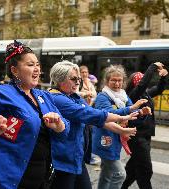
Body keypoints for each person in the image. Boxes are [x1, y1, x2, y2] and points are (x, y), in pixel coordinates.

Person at [0, 41, 70, 189]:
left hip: (41, 179)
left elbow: (64, 130)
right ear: (15, 70)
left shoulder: (45, 96)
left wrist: (59, 126)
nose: (37, 69)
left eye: (37, 64)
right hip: (4, 182)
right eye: (30, 65)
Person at [48, 60, 138, 189]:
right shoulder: (58, 98)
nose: (78, 82)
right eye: (74, 79)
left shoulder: (73, 96)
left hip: (76, 157)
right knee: (117, 174)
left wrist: (121, 130)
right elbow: (90, 114)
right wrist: (123, 116)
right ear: (60, 79)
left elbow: (97, 118)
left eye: (78, 78)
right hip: (63, 161)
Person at [92, 65, 151, 189]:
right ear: (107, 81)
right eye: (113, 80)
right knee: (119, 174)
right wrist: (132, 108)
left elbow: (131, 113)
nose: (117, 83)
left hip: (116, 139)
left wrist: (141, 113)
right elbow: (108, 114)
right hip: (105, 139)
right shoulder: (103, 96)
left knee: (107, 173)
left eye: (120, 80)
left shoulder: (123, 95)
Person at [121, 62, 168, 189]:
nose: (144, 83)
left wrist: (163, 78)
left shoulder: (145, 94)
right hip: (137, 137)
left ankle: (121, 186)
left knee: (133, 168)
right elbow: (142, 85)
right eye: (141, 80)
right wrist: (152, 67)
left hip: (146, 136)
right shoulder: (132, 95)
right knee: (145, 170)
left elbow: (159, 89)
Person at [78, 65, 99, 165]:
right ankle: (85, 156)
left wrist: (89, 93)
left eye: (86, 72)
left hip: (89, 108)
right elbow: (76, 93)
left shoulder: (89, 82)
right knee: (85, 134)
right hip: (82, 110)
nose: (85, 74)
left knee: (89, 133)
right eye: (82, 72)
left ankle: (88, 156)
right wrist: (85, 94)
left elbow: (95, 94)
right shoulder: (77, 82)